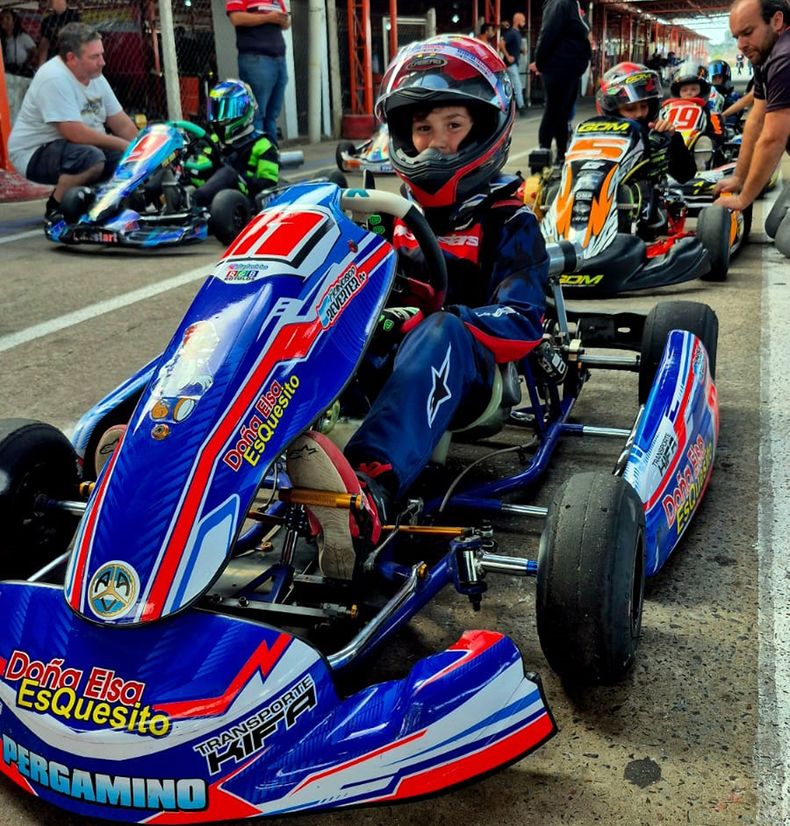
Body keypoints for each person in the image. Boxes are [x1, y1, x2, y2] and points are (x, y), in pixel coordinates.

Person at [285, 35, 551, 579]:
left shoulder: (509, 220)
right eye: (423, 129)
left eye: (453, 126)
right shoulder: (382, 216)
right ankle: (196, 457)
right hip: (376, 360)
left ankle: (366, 495)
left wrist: (442, 320)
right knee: (298, 313)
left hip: (471, 373)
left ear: (485, 128)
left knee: (438, 332)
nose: (435, 145)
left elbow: (524, 321)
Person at [8, 22, 138, 221]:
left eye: (101, 54)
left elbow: (121, 123)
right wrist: (123, 144)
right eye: (95, 57)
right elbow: (74, 133)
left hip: (73, 146)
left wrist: (143, 149)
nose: (102, 62)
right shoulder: (53, 77)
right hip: (34, 151)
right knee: (91, 159)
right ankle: (56, 208)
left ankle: (97, 202)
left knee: (129, 159)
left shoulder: (96, 76)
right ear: (71, 58)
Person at [597, 62, 696, 234]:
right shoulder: (596, 136)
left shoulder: (657, 135)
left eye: (644, 106)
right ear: (613, 110)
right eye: (630, 109)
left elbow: (685, 175)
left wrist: (672, 139)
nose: (639, 114)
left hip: (641, 216)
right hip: (598, 205)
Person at [713, 0, 790, 213]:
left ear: (776, 20)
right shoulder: (764, 56)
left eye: (747, 32)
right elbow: (756, 119)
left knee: (786, 241)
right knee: (775, 227)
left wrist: (742, 199)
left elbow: (772, 138)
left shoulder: (785, 57)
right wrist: (739, 177)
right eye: (737, 36)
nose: (741, 44)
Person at [186, 78, 280, 208]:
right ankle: (150, 196)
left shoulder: (263, 145)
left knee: (227, 173)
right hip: (211, 198)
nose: (220, 119)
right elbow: (201, 164)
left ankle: (192, 202)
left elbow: (268, 186)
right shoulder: (212, 140)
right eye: (217, 111)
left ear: (244, 110)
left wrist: (239, 177)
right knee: (175, 169)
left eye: (226, 111)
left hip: (242, 203)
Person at [530, 0, 592, 164]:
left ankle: (561, 154)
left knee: (562, 114)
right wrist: (540, 62)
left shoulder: (573, 4)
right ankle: (543, 153)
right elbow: (548, 33)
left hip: (570, 67)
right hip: (558, 65)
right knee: (554, 110)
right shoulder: (560, 3)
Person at [225, 0, 290, 143]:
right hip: (256, 59)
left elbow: (286, 24)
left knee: (271, 115)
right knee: (256, 114)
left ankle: (270, 156)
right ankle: (259, 156)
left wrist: (283, 20)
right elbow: (236, 18)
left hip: (278, 59)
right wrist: (268, 18)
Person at [36, 0, 80, 67]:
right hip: (53, 57)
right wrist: (41, 67)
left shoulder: (73, 16)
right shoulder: (47, 20)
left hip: (70, 56)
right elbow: (44, 45)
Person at [500, 12, 526, 114]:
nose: (524, 23)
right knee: (517, 85)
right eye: (523, 20)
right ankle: (521, 107)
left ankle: (512, 107)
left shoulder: (517, 33)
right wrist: (508, 56)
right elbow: (501, 44)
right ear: (517, 20)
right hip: (510, 65)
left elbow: (512, 46)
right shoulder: (512, 33)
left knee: (510, 86)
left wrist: (520, 50)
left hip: (513, 64)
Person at [1, 9, 36, 77]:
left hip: (20, 71)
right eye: (1, 19)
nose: (3, 21)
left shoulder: (22, 36)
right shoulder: (2, 38)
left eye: (8, 18)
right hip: (5, 70)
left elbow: (34, 52)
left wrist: (26, 64)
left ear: (14, 21)